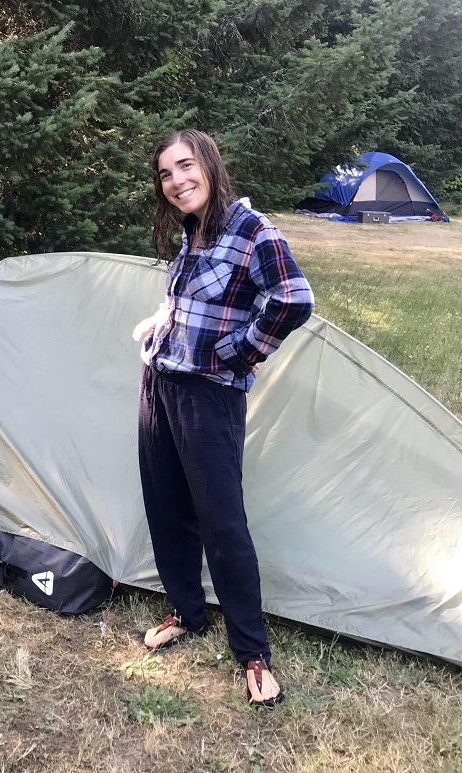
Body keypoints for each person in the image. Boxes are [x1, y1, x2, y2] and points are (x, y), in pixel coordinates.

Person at [133, 129, 314, 708]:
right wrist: (162, 320)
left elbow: (293, 299)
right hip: (159, 383)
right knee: (166, 506)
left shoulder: (250, 228)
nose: (177, 181)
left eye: (185, 166)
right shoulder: (193, 231)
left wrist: (237, 353)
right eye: (165, 174)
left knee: (221, 522)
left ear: (209, 165)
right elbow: (198, 299)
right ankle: (187, 612)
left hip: (208, 395)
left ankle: (253, 653)